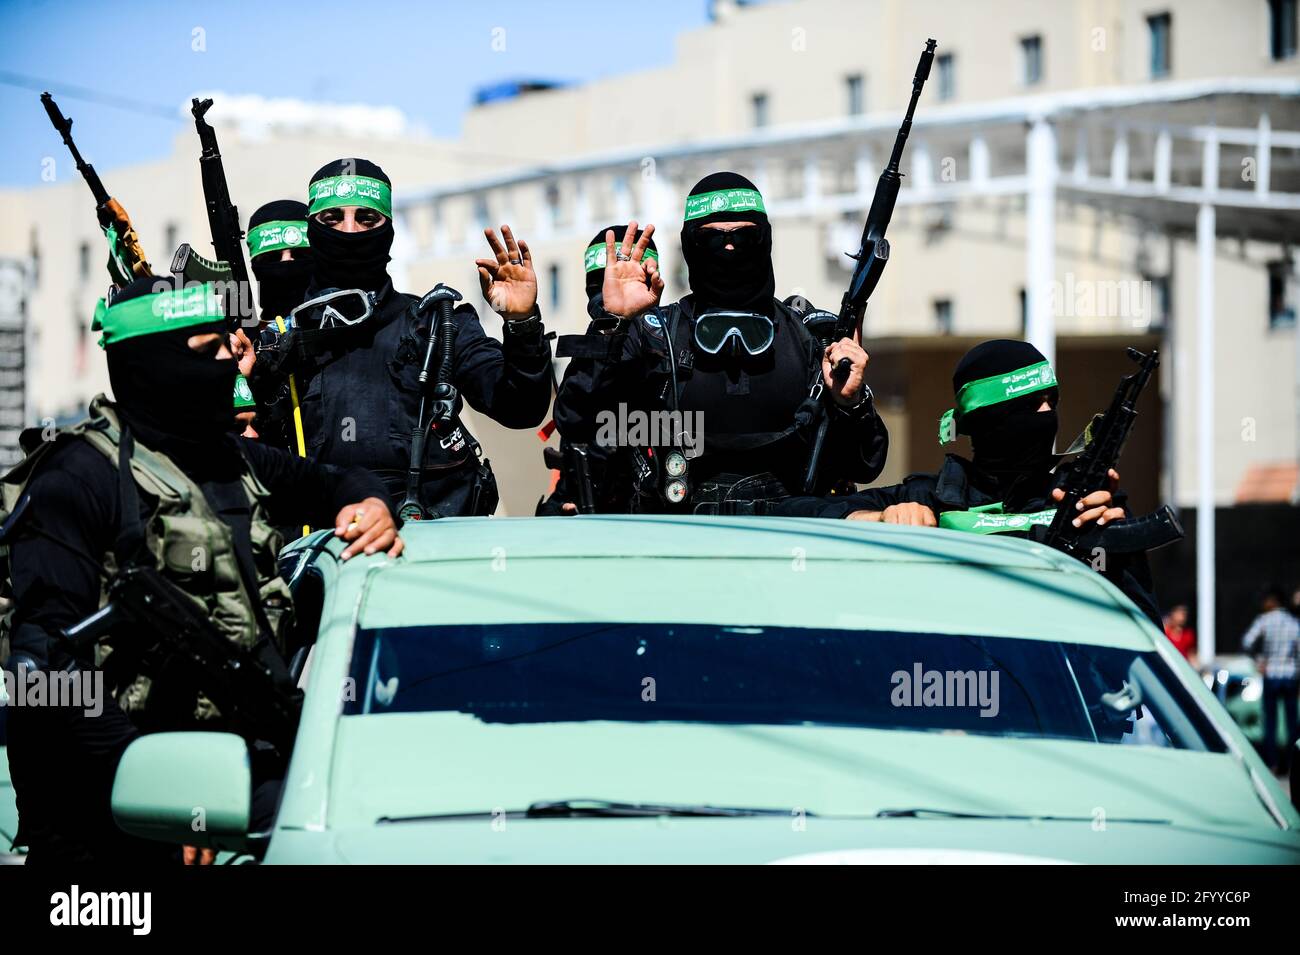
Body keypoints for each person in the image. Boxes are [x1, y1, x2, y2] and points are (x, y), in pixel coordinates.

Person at [0, 276, 401, 863]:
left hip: (240, 776)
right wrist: (160, 790)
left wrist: (370, 507)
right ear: (152, 361)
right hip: (115, 815)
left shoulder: (228, 457)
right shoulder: (76, 479)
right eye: (207, 349)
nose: (228, 365)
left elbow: (334, 481)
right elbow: (45, 670)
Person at [553, 172, 888, 513]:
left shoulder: (813, 340)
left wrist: (851, 404)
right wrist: (613, 323)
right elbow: (577, 422)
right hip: (675, 547)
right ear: (689, 245)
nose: (729, 247)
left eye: (745, 237)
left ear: (766, 239)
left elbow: (865, 465)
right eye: (712, 239)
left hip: (791, 544)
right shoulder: (654, 335)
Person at [777, 339, 1162, 624]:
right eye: (1031, 405)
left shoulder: (1082, 503)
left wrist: (1110, 547)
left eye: (1051, 402)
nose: (1048, 416)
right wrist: (875, 521)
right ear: (987, 421)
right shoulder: (929, 496)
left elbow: (1144, 632)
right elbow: (788, 517)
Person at [250, 159, 553, 518]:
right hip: (316, 553)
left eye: (366, 218)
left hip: (426, 553)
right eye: (333, 220)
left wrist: (522, 323)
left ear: (389, 229)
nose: (349, 231)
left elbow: (521, 408)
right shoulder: (274, 344)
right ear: (313, 230)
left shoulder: (438, 322)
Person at [538, 225, 660, 515]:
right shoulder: (593, 344)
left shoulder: (670, 340)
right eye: (600, 284)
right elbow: (571, 420)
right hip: (585, 504)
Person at [1242, 587, 1300, 772]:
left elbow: (1247, 641)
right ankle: (1291, 762)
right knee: (1292, 722)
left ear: (1272, 601)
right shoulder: (1294, 622)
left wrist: (1260, 661)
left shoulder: (1264, 620)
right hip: (1290, 675)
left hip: (1271, 673)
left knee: (1270, 721)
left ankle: (1273, 762)